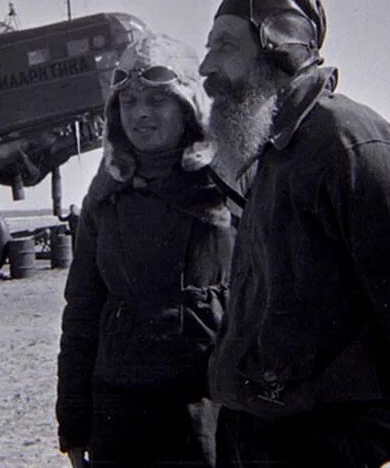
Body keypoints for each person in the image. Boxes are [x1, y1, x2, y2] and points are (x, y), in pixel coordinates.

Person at [201, 0, 390, 468]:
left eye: (224, 46)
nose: (205, 67)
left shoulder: (349, 147)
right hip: (268, 439)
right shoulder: (270, 154)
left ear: (277, 45)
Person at [57, 34, 235, 468]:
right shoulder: (105, 199)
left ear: (189, 108)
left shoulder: (229, 192)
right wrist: (75, 422)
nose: (139, 114)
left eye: (157, 101)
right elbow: (81, 312)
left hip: (209, 414)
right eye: (129, 101)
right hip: (121, 416)